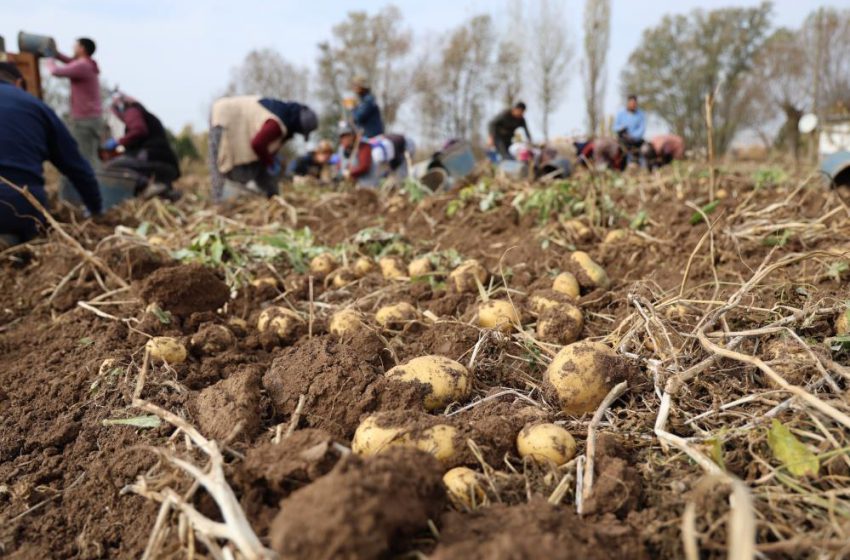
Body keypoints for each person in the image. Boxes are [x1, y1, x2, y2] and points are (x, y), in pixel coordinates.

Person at [0, 63, 101, 247]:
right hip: (23, 206)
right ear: (19, 83)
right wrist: (96, 209)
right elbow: (76, 167)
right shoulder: (37, 108)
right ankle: (15, 244)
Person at [208, 95, 318, 202]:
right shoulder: (277, 124)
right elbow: (258, 144)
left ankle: (266, 196)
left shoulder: (284, 114)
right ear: (297, 126)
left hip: (230, 117)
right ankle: (218, 203)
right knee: (219, 163)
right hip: (224, 118)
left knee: (253, 169)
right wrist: (270, 162)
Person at [45, 37, 103, 203]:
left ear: (82, 48)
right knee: (90, 158)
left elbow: (56, 71)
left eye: (75, 45)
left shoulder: (83, 65)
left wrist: (49, 57)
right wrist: (56, 53)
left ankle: (89, 201)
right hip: (92, 119)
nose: (72, 47)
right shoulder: (87, 64)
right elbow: (70, 61)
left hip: (84, 121)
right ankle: (92, 198)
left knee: (83, 160)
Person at [101, 91, 181, 198]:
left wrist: (118, 142)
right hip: (167, 165)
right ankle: (164, 190)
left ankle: (148, 185)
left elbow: (138, 129)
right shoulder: (146, 116)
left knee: (112, 167)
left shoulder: (131, 110)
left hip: (154, 159)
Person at [337, 122, 375, 186]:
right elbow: (339, 167)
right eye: (342, 136)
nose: (345, 138)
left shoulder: (364, 146)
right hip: (349, 185)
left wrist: (351, 173)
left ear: (353, 135)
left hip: (366, 184)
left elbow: (364, 167)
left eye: (347, 135)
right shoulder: (341, 149)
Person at [614, 95, 646, 161]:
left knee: (645, 149)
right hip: (623, 140)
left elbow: (642, 129)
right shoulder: (621, 114)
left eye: (634, 104)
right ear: (628, 103)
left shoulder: (641, 115)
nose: (633, 105)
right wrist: (621, 128)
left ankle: (642, 165)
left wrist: (633, 136)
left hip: (636, 141)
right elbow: (615, 127)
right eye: (631, 103)